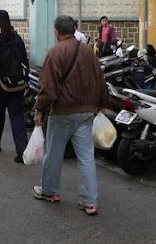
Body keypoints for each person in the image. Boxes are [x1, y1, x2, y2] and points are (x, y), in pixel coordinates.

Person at [31, 15, 109, 215]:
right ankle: (90, 201)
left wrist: (40, 110)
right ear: (74, 30)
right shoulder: (88, 51)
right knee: (86, 158)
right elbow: (100, 80)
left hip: (63, 112)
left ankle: (50, 191)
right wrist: (101, 103)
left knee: (54, 154)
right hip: (87, 112)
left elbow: (48, 87)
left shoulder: (55, 52)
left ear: (57, 31)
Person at [0, 9, 28, 161]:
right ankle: (22, 149)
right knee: (17, 116)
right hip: (17, 85)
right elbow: (25, 63)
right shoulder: (18, 40)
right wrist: (24, 81)